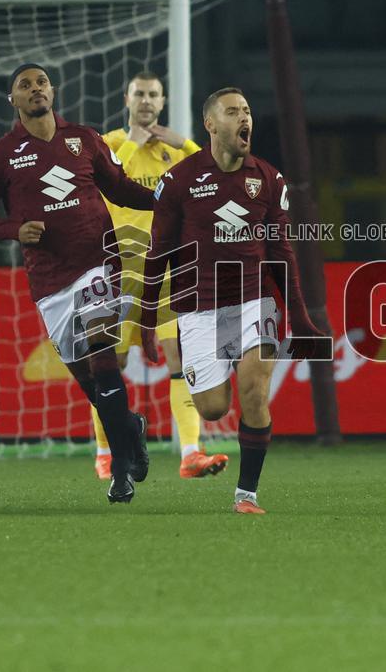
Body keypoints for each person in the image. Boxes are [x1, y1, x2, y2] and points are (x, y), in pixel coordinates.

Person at [0, 62, 153, 504]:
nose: (36, 90)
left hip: (98, 263)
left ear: (53, 91)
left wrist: (165, 198)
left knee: (103, 354)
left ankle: (120, 469)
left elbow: (121, 188)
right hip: (49, 280)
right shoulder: (1, 156)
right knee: (89, 380)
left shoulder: (85, 139)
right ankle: (130, 428)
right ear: (12, 100)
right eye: (25, 86)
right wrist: (15, 230)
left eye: (42, 82)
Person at [138, 87, 327, 515]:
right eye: (232, 111)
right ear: (210, 124)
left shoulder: (269, 179)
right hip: (199, 307)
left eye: (246, 111)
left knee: (254, 392)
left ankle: (247, 494)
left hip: (253, 300)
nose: (245, 118)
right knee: (213, 407)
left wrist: (300, 319)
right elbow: (158, 253)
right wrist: (147, 320)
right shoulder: (180, 180)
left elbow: (282, 253)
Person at [91, 71, 229, 480]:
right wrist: (133, 142)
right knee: (109, 362)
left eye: (153, 94)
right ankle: (105, 452)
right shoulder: (111, 144)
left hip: (166, 268)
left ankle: (190, 453)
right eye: (140, 94)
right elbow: (107, 181)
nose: (147, 101)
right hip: (116, 269)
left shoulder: (177, 152)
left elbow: (214, 174)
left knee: (179, 356)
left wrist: (184, 143)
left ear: (163, 100)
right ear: (127, 98)